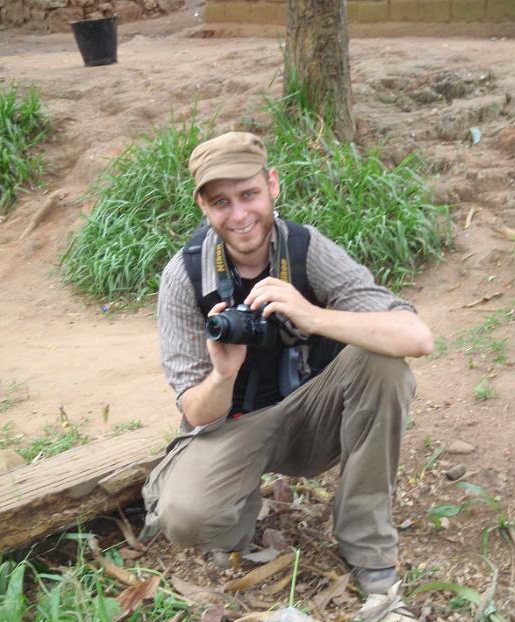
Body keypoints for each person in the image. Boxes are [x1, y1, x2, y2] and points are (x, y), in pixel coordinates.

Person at [142, 131, 433, 594]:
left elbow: (416, 337)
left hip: (314, 411)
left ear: (273, 185)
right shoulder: (184, 275)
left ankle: (367, 545)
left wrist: (312, 315)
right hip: (234, 423)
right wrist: (223, 372)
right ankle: (236, 516)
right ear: (202, 205)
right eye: (221, 202)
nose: (239, 215)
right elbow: (195, 412)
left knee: (385, 365)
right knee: (185, 517)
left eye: (249, 194)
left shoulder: (305, 249)